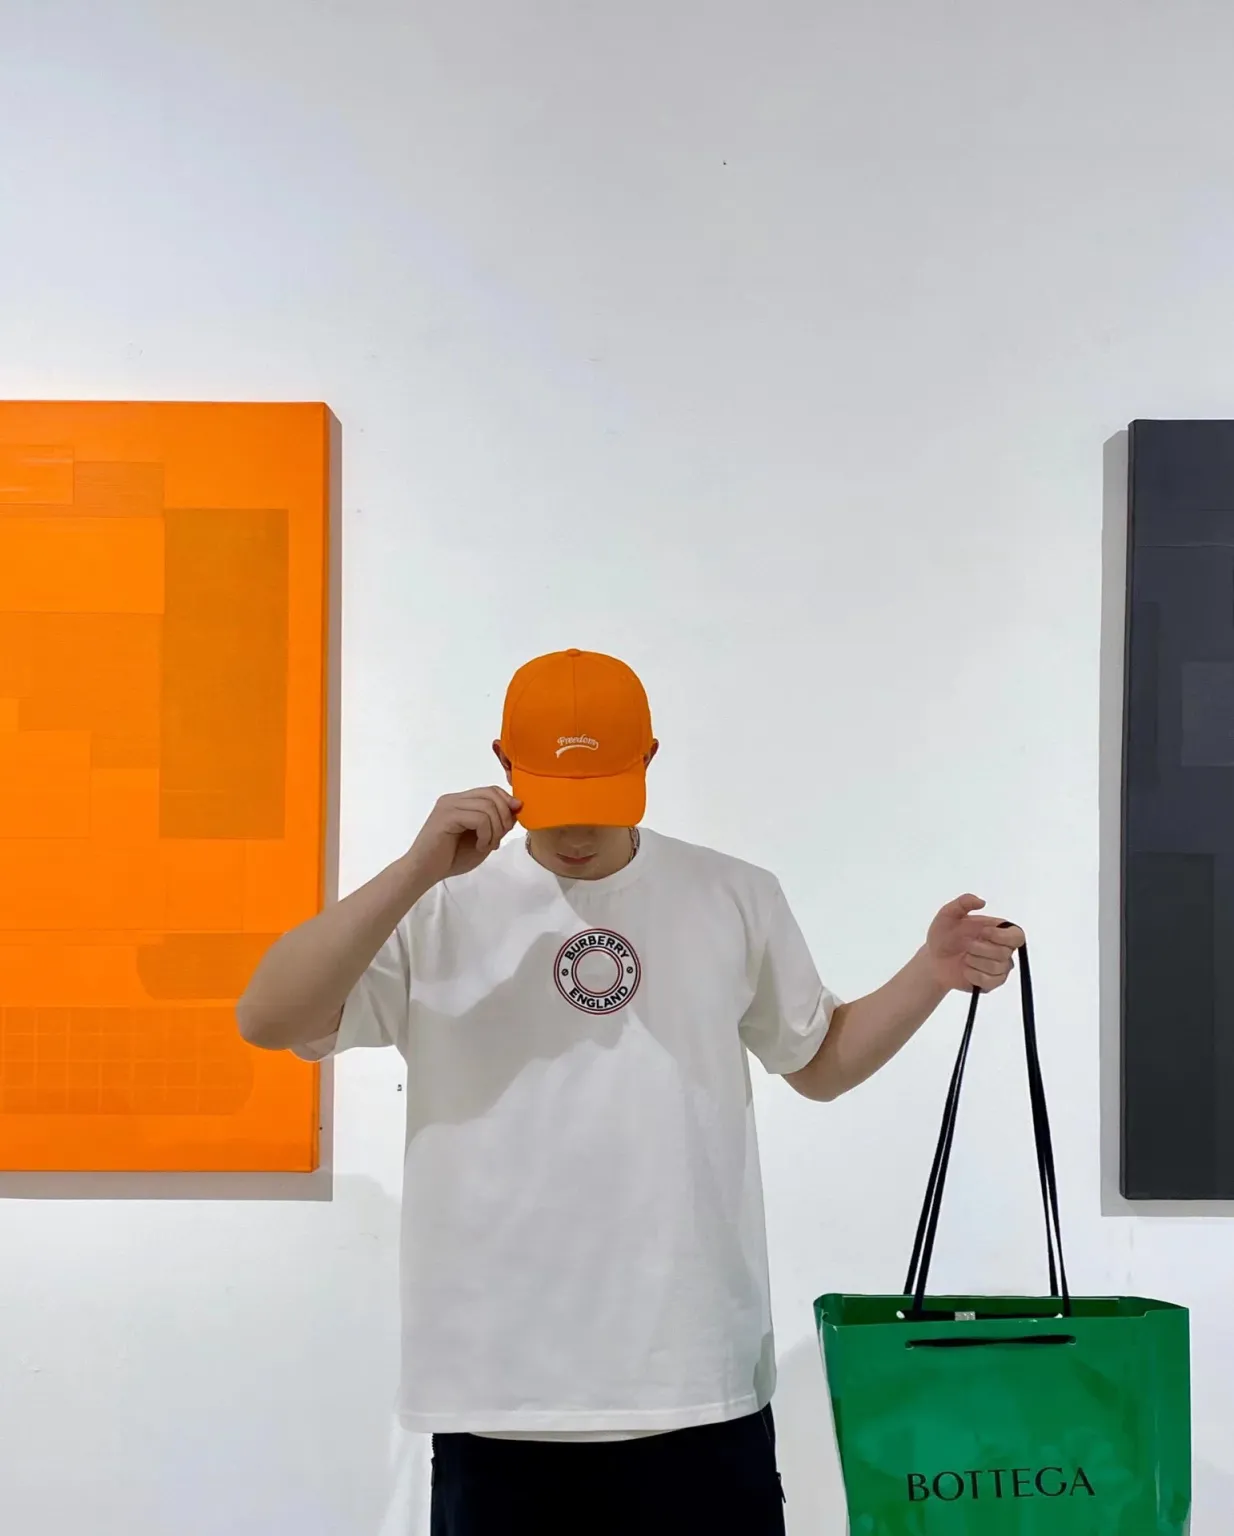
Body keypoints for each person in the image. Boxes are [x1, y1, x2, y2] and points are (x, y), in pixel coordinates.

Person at [238, 648, 1024, 1536]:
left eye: (605, 798)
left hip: (695, 1380)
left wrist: (931, 972)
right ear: (502, 764)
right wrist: (417, 868)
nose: (579, 833)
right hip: (499, 1393)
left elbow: (820, 1064)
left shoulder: (732, 893)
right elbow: (269, 1017)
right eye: (556, 801)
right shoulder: (434, 907)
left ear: (649, 758)